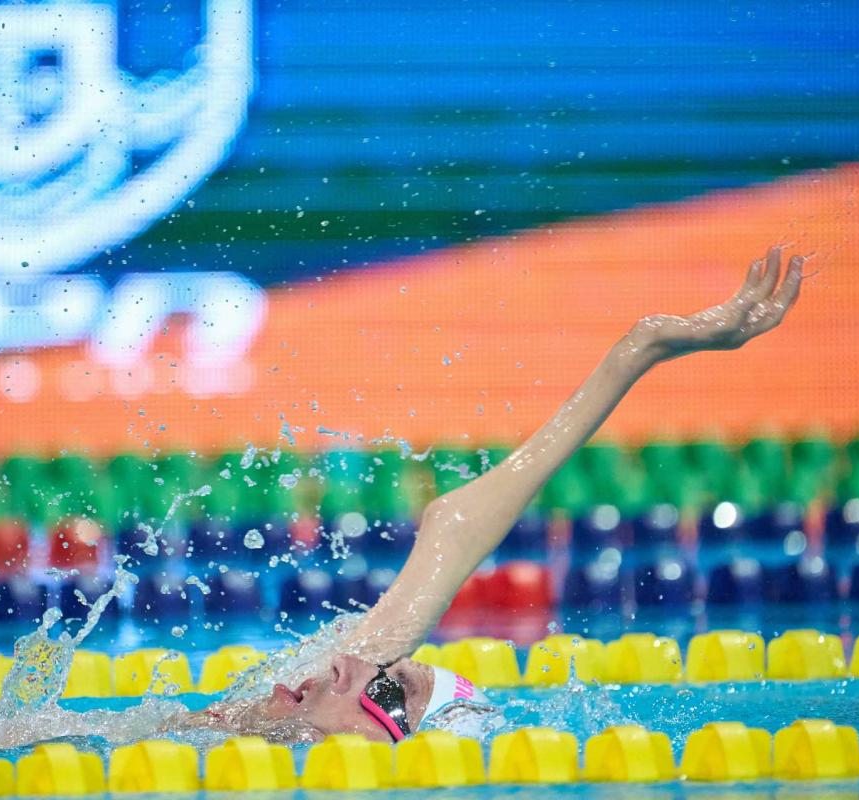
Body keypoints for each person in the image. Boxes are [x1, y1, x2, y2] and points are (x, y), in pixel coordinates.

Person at [198, 245, 807, 743]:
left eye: (388, 689)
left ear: (393, 747)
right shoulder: (224, 730)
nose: (347, 661)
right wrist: (638, 348)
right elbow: (454, 524)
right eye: (384, 673)